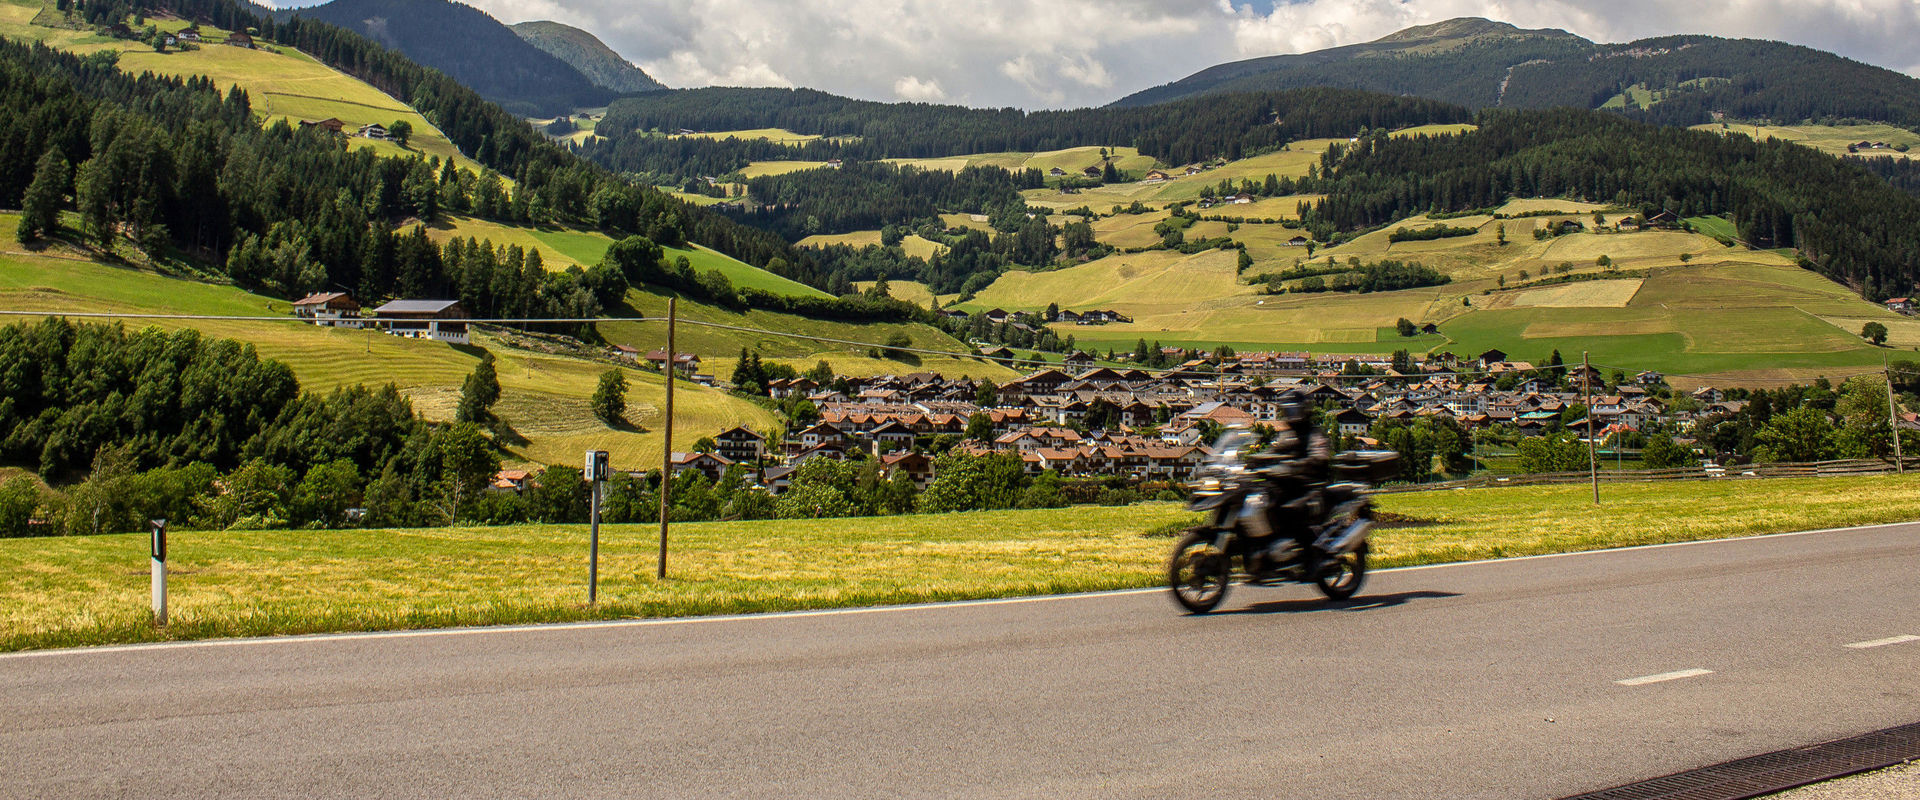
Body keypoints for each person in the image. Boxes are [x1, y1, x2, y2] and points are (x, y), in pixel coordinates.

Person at [1255, 391, 1332, 565]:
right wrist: (1255, 459)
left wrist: (1296, 466)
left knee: (1292, 510)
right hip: (1291, 486)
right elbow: (1274, 451)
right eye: (1287, 412)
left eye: (1293, 411)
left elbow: (1319, 458)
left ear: (1304, 410)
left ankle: (1307, 555)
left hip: (1312, 488)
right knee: (1265, 502)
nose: (1291, 416)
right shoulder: (1288, 435)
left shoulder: (1314, 434)